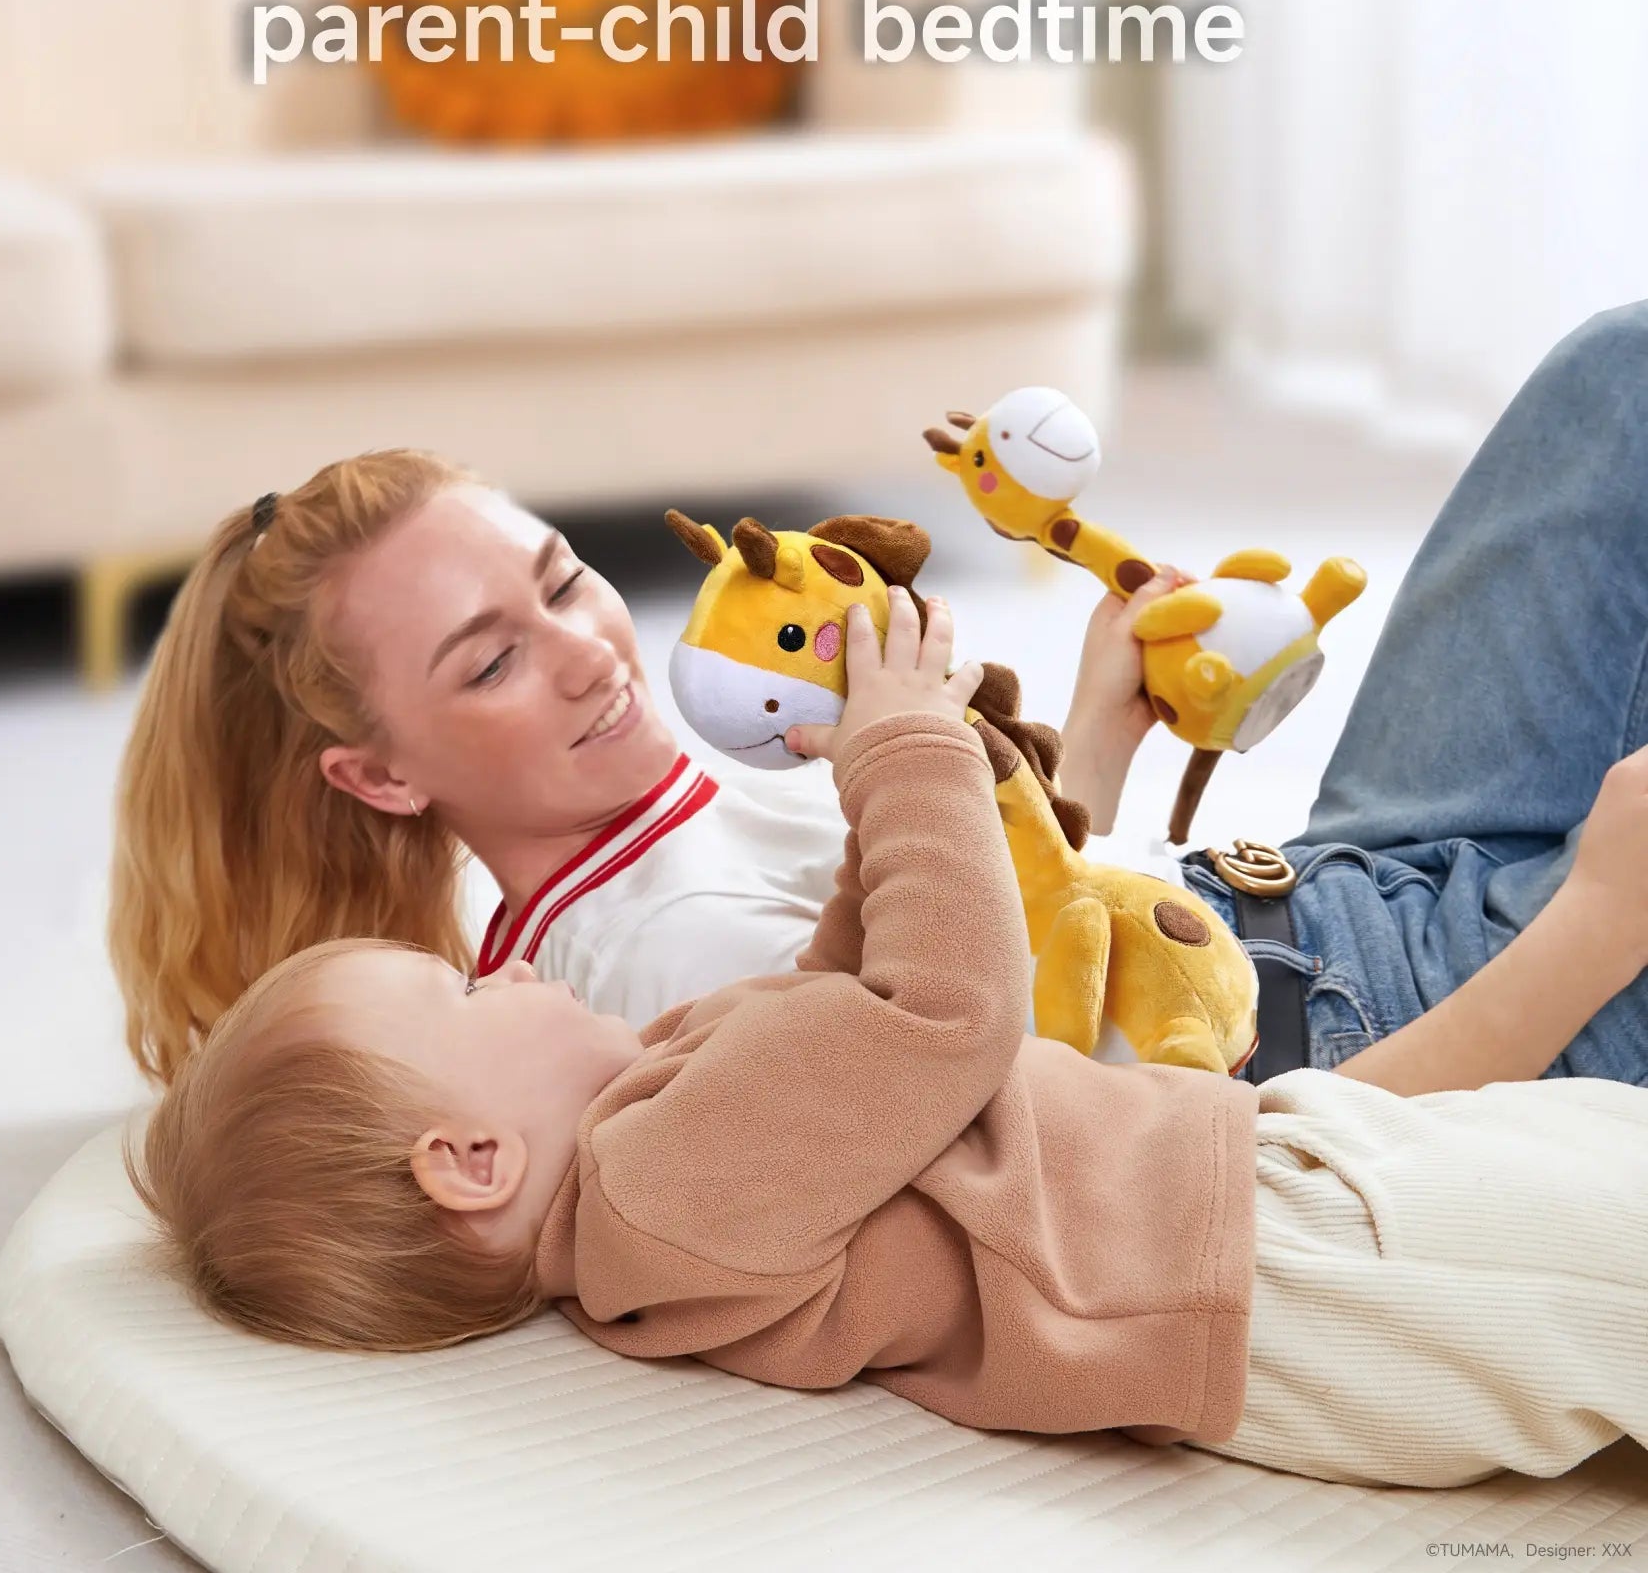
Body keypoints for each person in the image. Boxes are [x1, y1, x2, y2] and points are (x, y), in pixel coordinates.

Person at [127, 594, 1648, 1489]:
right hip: (1293, 1272)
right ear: (472, 1161)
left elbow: (850, 1009)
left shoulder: (665, 1148)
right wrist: (902, 753)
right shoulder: (655, 1188)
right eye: (466, 1001)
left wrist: (900, 810)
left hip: (1256, 1202)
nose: (506, 971)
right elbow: (950, 1021)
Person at [110, 302, 1648, 1092]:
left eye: (563, 580)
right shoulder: (664, 962)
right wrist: (1591, 930)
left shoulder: (649, 834)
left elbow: (1018, 933)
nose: (586, 651)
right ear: (380, 776)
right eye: (491, 660)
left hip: (1302, 889)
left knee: (1617, 374)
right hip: (1375, 1022)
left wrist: (1097, 723)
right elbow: (1092, 1136)